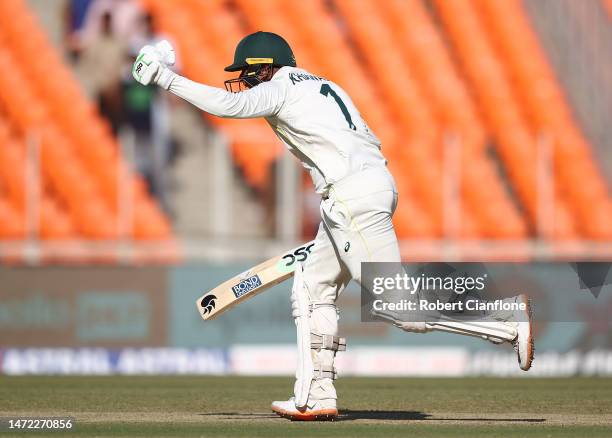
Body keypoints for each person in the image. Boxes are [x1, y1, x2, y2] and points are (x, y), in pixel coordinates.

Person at [132, 32, 534, 421]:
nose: (244, 83)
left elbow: (226, 106)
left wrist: (166, 78)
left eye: (249, 74)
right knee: (312, 284)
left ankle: (504, 319)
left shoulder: (283, 85)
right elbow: (369, 139)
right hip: (366, 187)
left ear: (265, 68)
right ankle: (317, 394)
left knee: (399, 309)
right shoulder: (326, 85)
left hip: (349, 197)